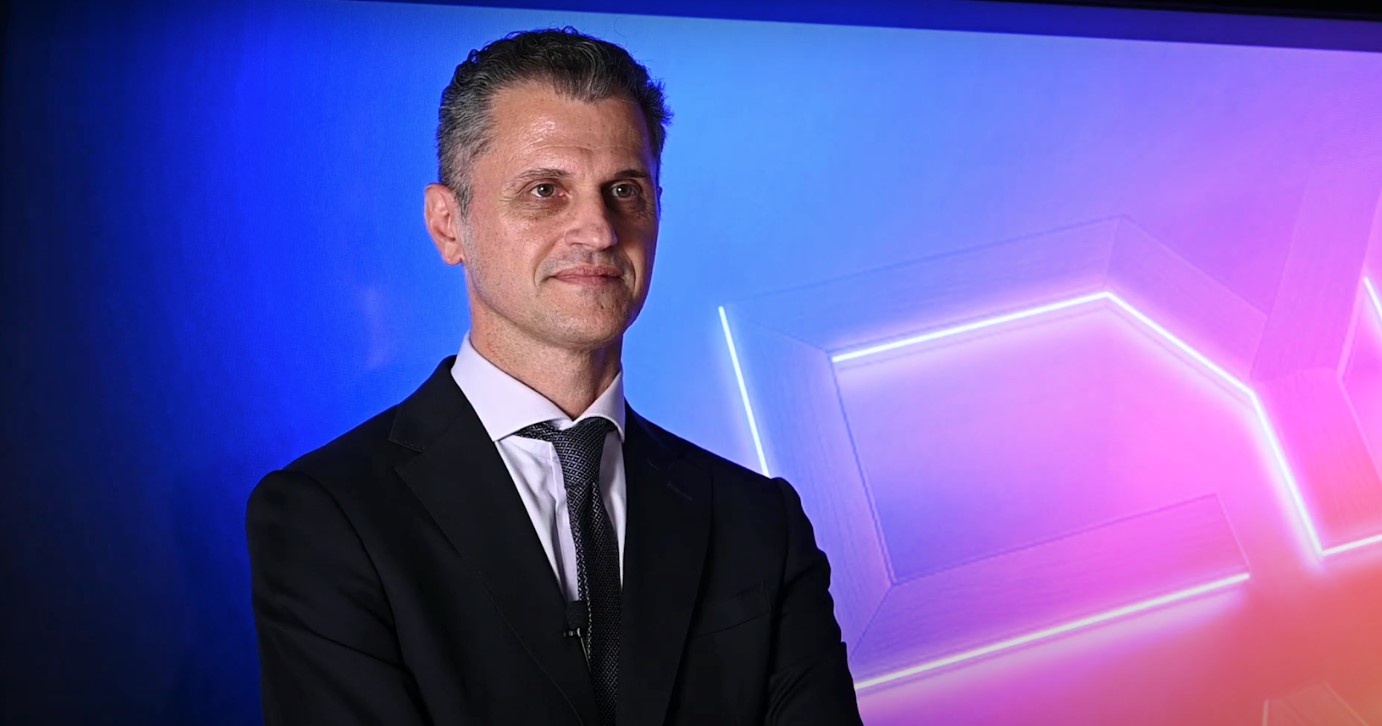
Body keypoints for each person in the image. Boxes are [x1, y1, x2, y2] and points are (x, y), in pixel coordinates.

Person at [245, 27, 862, 725]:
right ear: (448, 225)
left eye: (624, 190)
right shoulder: (329, 518)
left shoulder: (758, 522)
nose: (598, 231)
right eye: (545, 190)